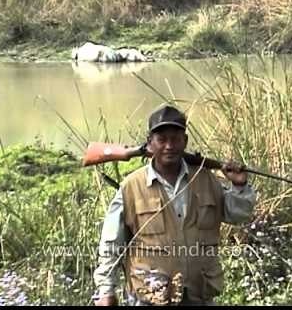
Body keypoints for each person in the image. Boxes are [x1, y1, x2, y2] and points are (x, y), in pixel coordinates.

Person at [92, 105, 256, 306]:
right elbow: (111, 244)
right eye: (162, 139)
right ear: (150, 143)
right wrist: (106, 290)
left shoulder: (206, 179)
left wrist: (239, 186)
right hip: (149, 297)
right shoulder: (131, 187)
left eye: (175, 139)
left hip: (198, 296)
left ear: (185, 141)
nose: (169, 146)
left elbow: (238, 215)